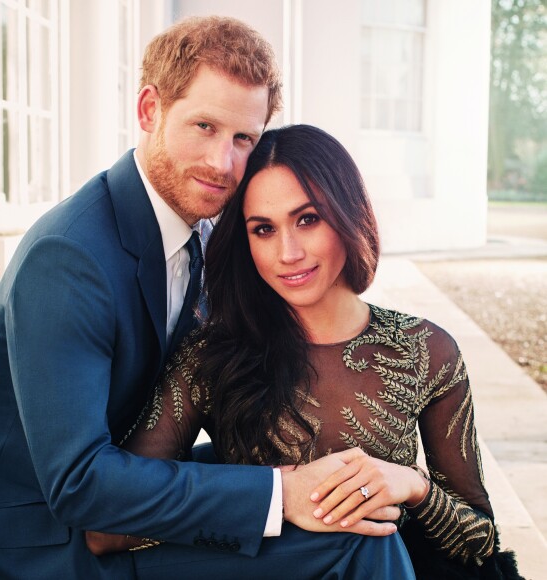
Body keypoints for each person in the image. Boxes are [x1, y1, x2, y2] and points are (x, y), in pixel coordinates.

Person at [0, 17, 414, 580]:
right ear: (150, 110)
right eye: (204, 126)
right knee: (354, 544)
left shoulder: (202, 230)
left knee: (355, 505)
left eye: (243, 139)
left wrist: (321, 475)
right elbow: (77, 483)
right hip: (41, 547)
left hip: (125, 500)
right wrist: (279, 492)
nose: (223, 163)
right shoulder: (69, 258)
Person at [86, 124, 523, 580]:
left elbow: (480, 541)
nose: (288, 252)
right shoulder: (212, 356)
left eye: (308, 219)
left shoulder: (424, 351)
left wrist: (411, 486)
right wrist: (268, 502)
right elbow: (109, 525)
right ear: (244, 241)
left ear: (346, 214)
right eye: (263, 229)